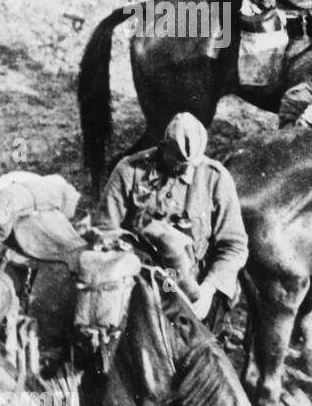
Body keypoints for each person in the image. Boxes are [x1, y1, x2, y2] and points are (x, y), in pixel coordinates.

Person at [98, 113, 247, 331]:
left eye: (191, 164)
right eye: (177, 162)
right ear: (162, 146)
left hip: (198, 287)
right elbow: (105, 230)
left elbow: (234, 245)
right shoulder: (130, 171)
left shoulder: (215, 178)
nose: (185, 170)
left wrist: (208, 290)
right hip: (143, 281)